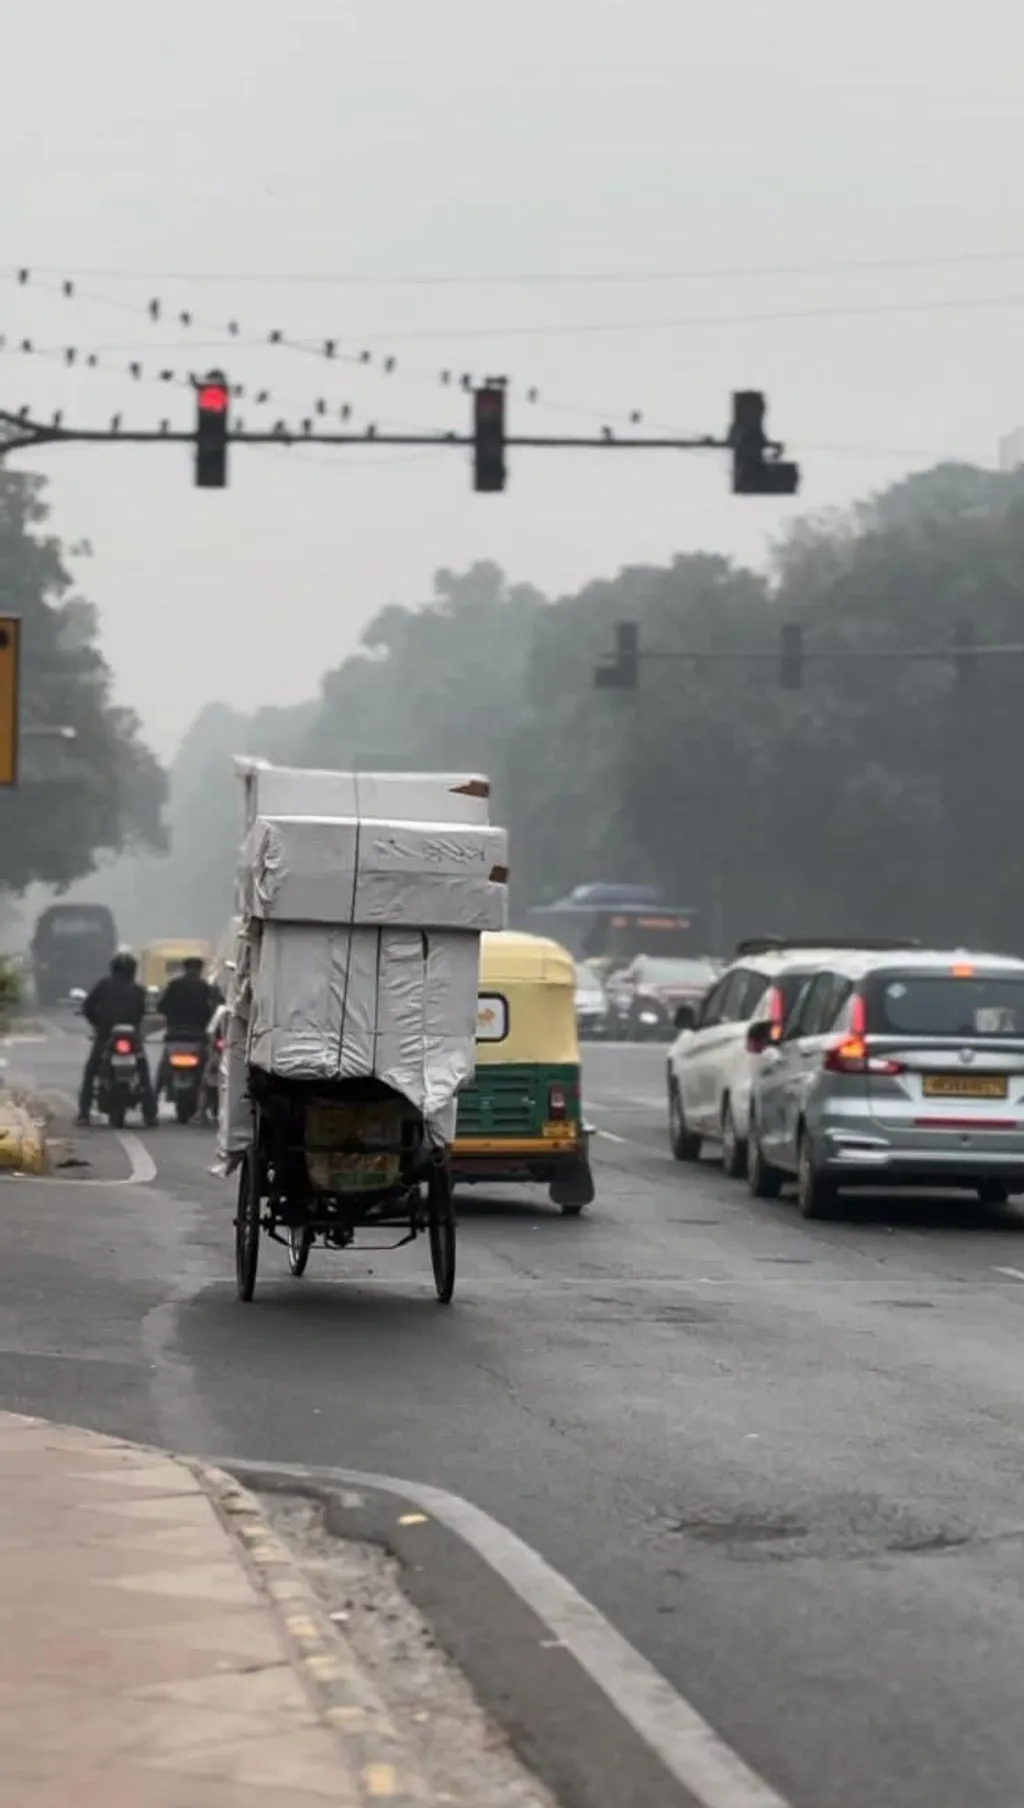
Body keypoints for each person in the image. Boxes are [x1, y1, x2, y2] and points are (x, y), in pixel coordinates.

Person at [78, 951, 157, 1127]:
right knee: (143, 1073)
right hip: (131, 1038)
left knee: (91, 1071)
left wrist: (98, 1024)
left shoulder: (104, 985)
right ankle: (149, 1114)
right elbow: (141, 1013)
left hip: (106, 1035)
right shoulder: (138, 990)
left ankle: (84, 1113)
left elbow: (88, 1007)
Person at [156, 958, 222, 1095]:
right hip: (198, 1036)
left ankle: (152, 1103)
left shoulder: (174, 985)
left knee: (163, 1070)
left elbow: (161, 1007)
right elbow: (218, 1007)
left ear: (185, 969)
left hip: (174, 1034)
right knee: (209, 1071)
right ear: (200, 970)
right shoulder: (206, 987)